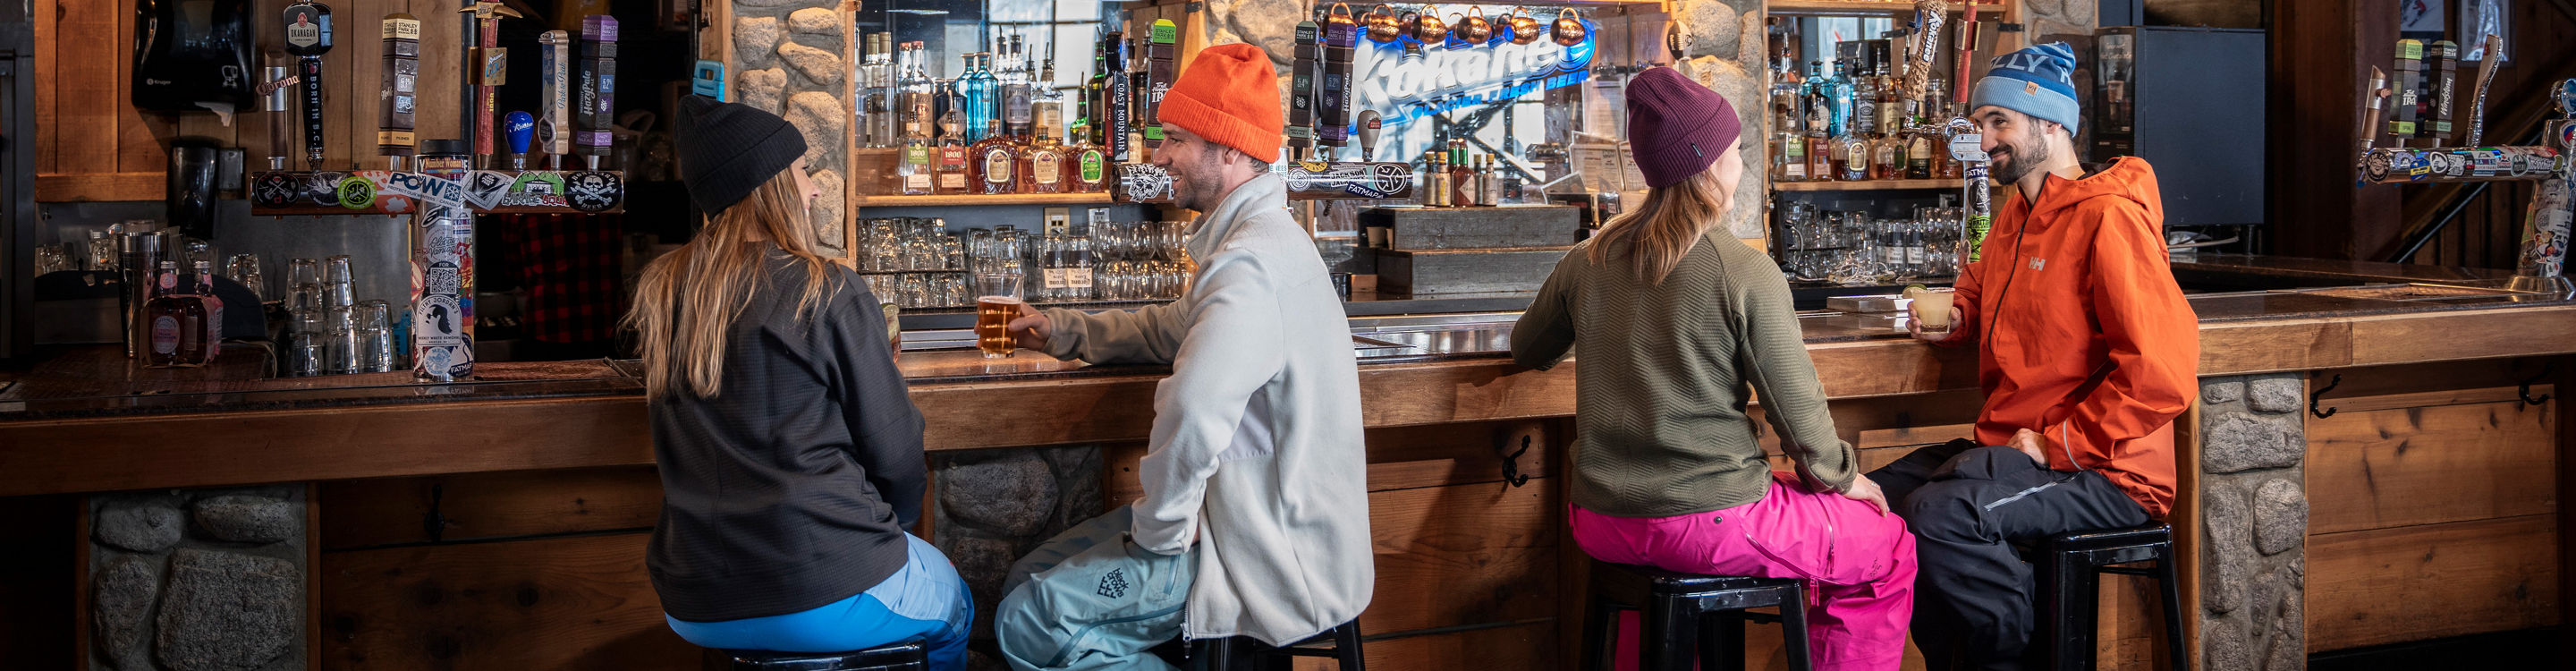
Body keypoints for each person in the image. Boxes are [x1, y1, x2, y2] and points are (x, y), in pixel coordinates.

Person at [1511, 66, 1916, 671]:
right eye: (1736, 150)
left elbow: (1528, 348)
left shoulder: (1588, 258)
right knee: (1886, 546)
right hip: (1705, 522)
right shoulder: (1742, 271)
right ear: (1708, 164)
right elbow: (1797, 412)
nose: (1741, 164)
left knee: (1668, 585)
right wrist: (1841, 478)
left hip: (1600, 520)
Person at [990, 43, 1374, 671]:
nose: (1159, 155)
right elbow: (1171, 328)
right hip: (1252, 524)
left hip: (1256, 549)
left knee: (1023, 621)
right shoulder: (1264, 241)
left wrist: (1160, 533)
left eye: (1174, 139)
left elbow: (1193, 409)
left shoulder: (1248, 266)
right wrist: (1061, 330)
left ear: (1227, 150)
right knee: (1027, 574)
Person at [1870, 43, 2199, 671]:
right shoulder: (2016, 214)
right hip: (2017, 448)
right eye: (1978, 123)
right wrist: (1959, 321)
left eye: (2000, 122)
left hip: (2107, 472)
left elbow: (2163, 371)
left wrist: (2059, 445)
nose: (1985, 137)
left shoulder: (2109, 218)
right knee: (1879, 499)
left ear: (2052, 124)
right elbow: (1981, 288)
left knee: (1941, 516)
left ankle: (2014, 660)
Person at [631, 96, 971, 669]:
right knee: (955, 605)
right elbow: (896, 454)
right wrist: (886, 531)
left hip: (694, 598)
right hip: (822, 579)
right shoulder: (825, 288)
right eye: (802, 172)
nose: (815, 189)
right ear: (770, 186)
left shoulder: (661, 291)